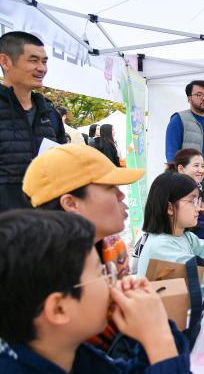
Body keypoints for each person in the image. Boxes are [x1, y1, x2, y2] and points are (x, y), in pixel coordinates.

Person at [0, 210, 191, 374]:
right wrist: (158, 338)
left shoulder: (70, 353)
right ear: (59, 309)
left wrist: (154, 330)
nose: (112, 282)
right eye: (102, 273)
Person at [22, 143, 145, 350]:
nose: (121, 196)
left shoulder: (113, 246)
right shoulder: (41, 271)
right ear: (71, 204)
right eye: (110, 187)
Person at [0, 31, 66, 213]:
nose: (41, 68)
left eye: (44, 62)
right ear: (5, 61)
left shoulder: (50, 112)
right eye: (33, 60)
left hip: (45, 223)